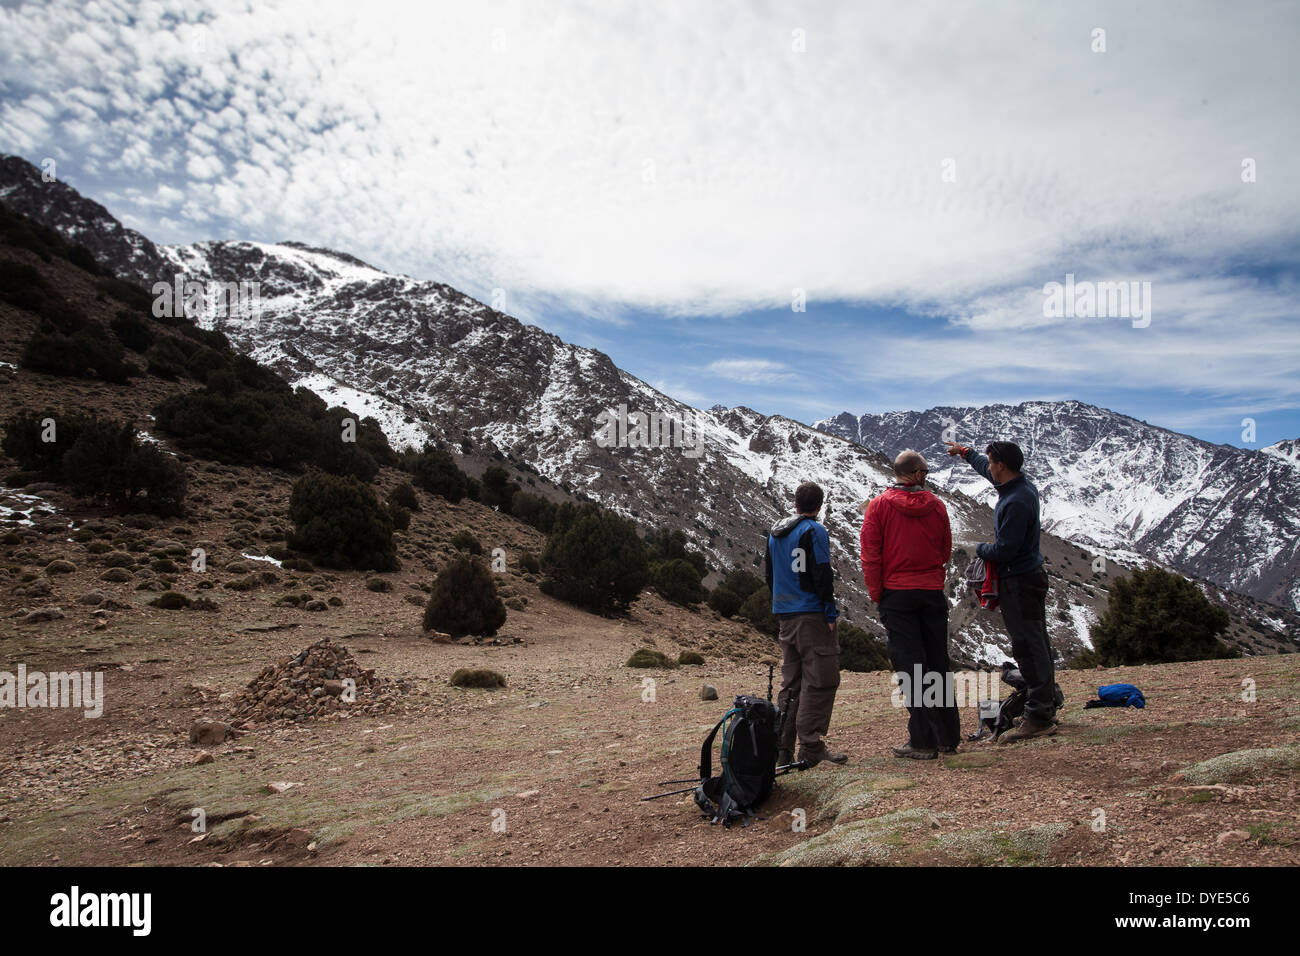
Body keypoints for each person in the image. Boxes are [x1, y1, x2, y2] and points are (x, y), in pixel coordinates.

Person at [944, 439, 1058, 742]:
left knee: (1028, 646)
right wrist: (966, 453)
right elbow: (985, 468)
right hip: (1026, 577)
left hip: (1019, 581)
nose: (989, 467)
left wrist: (977, 548)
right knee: (1036, 642)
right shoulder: (1018, 486)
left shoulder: (1017, 501)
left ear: (1002, 466)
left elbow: (1005, 549)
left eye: (992, 463)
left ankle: (1039, 715)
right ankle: (1044, 703)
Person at [861, 450, 960, 759]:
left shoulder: (878, 507)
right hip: (930, 592)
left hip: (897, 594)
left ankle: (922, 740)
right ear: (917, 473)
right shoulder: (937, 507)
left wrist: (878, 593)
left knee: (911, 666)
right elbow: (945, 548)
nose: (928, 474)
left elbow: (870, 553)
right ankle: (947, 736)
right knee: (937, 662)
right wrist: (932, 575)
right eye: (926, 470)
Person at [765, 481, 848, 768]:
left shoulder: (775, 533)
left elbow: (770, 576)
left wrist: (780, 606)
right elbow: (822, 574)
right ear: (819, 505)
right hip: (811, 614)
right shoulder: (815, 531)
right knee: (821, 679)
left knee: (792, 682)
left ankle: (781, 749)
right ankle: (811, 747)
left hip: (785, 615)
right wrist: (829, 613)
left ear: (796, 503)